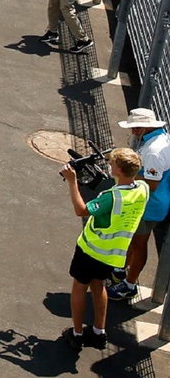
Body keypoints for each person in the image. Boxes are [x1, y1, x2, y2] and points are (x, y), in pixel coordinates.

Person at [62, 147, 147, 350]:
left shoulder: (111, 197)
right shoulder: (141, 189)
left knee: (79, 288)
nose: (109, 166)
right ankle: (99, 332)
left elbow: (81, 210)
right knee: (98, 285)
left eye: (112, 164)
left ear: (119, 170)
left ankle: (77, 333)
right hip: (113, 254)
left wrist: (73, 182)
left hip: (91, 250)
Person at [112, 108, 170, 302]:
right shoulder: (160, 139)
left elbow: (152, 183)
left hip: (150, 206)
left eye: (135, 127)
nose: (133, 131)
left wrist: (126, 175)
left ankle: (129, 285)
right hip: (152, 203)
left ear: (145, 127)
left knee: (138, 244)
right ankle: (121, 270)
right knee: (133, 241)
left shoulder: (154, 150)